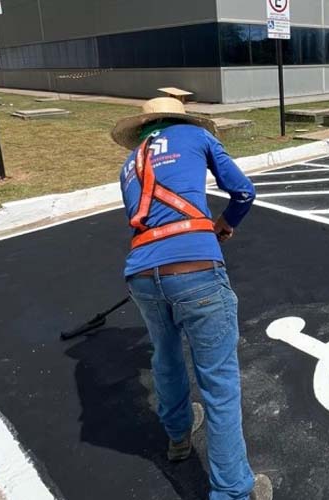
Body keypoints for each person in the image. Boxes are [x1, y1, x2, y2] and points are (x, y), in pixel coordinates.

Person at [111, 97, 272, 500]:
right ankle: (232, 491)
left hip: (142, 273)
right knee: (218, 382)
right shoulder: (194, 135)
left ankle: (178, 436)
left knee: (165, 356)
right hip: (195, 268)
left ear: (143, 128)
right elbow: (243, 192)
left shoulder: (129, 163)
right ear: (179, 118)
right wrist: (224, 224)